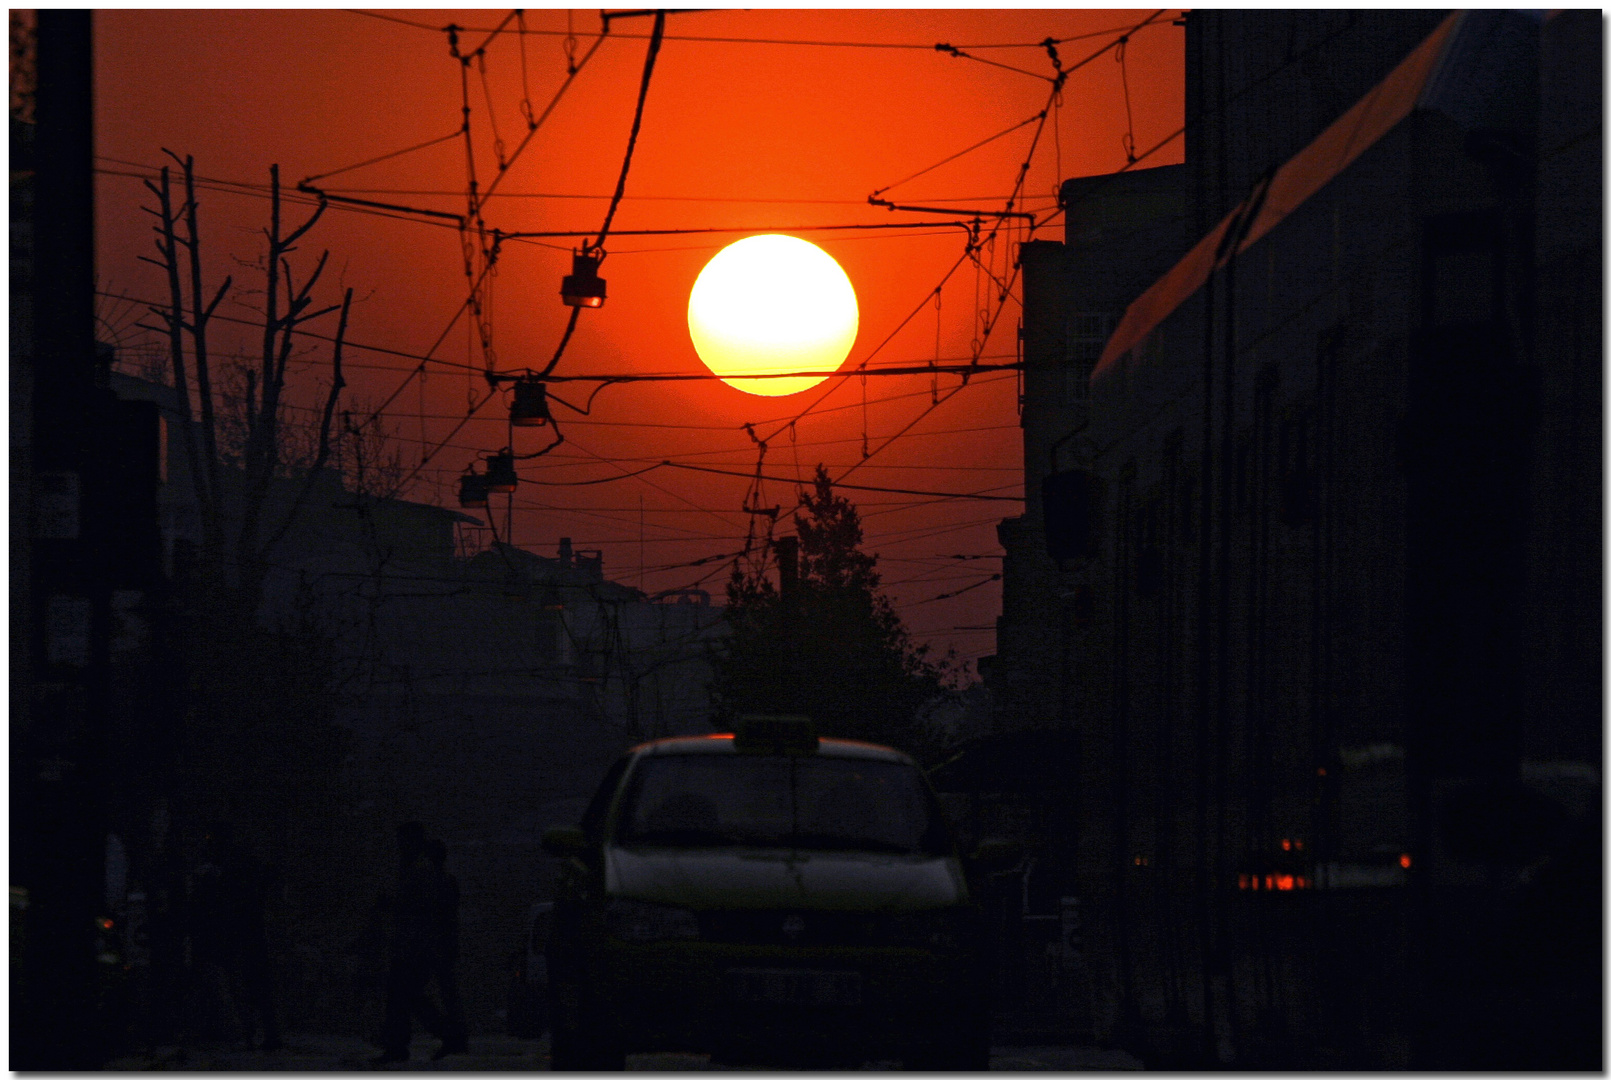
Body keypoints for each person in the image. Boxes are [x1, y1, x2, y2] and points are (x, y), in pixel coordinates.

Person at [376, 825, 467, 1063]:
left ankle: (407, 1043)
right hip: (415, 944)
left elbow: (420, 910)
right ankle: (440, 1036)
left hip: (414, 945)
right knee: (407, 996)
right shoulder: (418, 870)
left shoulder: (420, 871)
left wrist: (392, 905)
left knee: (403, 995)